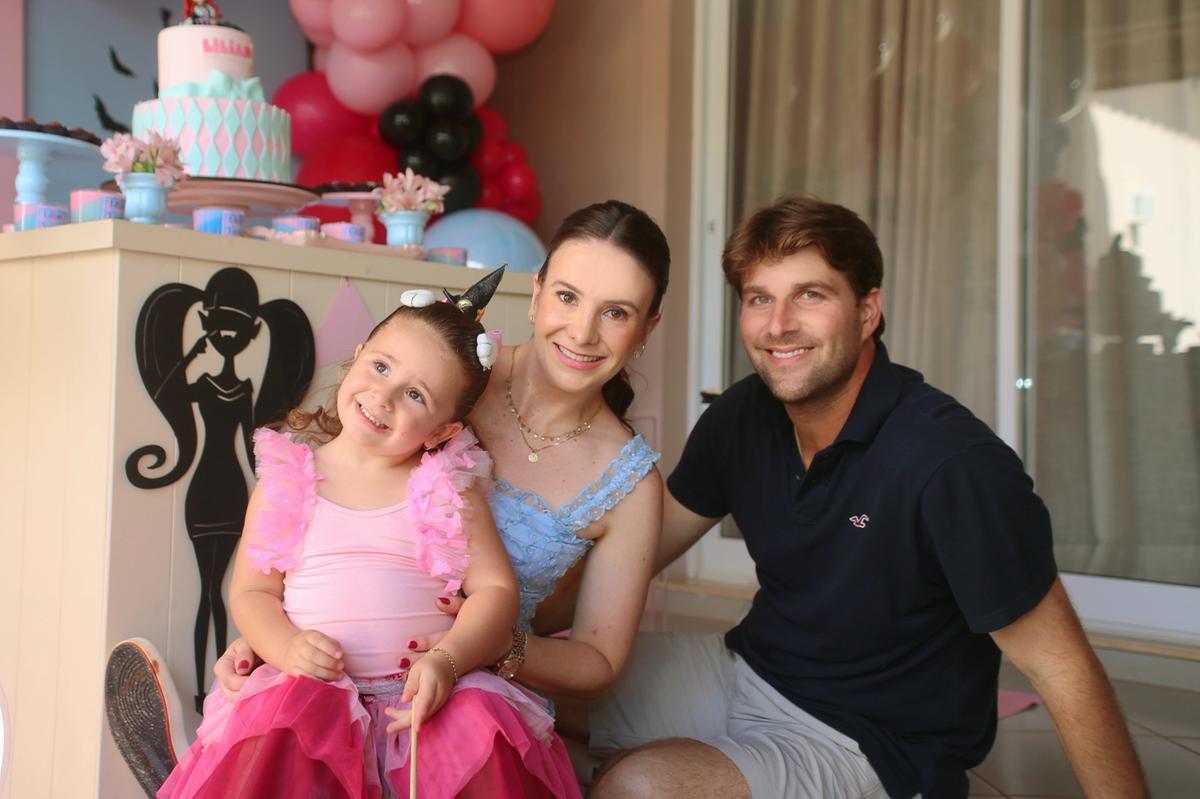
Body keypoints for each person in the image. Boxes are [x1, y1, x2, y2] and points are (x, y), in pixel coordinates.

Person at [585, 196, 1148, 798]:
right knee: (525, 696)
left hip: (872, 744)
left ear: (868, 311)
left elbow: (1065, 673)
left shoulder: (951, 465)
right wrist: (496, 621)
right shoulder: (743, 415)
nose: (778, 325)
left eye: (810, 295)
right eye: (759, 299)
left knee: (639, 788)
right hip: (745, 669)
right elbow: (634, 555)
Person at [107, 200, 669, 790]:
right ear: (536, 293)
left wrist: (474, 652)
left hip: (455, 684)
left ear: (646, 329)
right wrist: (279, 632)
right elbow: (293, 543)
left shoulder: (622, 480)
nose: (581, 331)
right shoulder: (451, 361)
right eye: (567, 296)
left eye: (617, 312)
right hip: (321, 667)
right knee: (283, 743)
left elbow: (596, 660)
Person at [156, 271, 581, 798]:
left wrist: (449, 660)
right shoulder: (289, 477)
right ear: (356, 355)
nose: (383, 396)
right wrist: (285, 648)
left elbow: (495, 590)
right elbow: (252, 590)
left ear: (444, 431)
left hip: (423, 696)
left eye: (415, 395)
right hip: (313, 695)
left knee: (480, 745)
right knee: (282, 751)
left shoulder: (447, 486)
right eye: (380, 366)